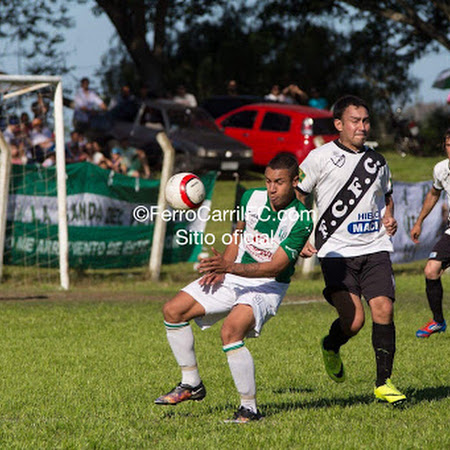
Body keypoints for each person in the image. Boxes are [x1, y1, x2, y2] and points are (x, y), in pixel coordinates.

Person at [154, 154, 313, 422]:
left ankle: (249, 409)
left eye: (280, 182)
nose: (272, 189)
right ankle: (191, 383)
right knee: (173, 311)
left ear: (295, 181)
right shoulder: (250, 197)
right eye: (268, 181)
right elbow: (238, 236)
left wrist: (229, 268)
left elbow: (274, 267)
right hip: (234, 273)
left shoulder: (301, 220)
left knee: (231, 331)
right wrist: (223, 266)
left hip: (267, 286)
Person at [297, 95, 406, 405]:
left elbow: (386, 196)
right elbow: (298, 194)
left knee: (383, 309)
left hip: (375, 247)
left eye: (366, 121)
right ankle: (331, 344)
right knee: (354, 321)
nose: (362, 126)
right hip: (334, 251)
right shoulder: (319, 157)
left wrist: (389, 215)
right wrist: (304, 232)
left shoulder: (378, 161)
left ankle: (384, 382)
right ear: (338, 125)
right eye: (355, 121)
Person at [410, 129, 450, 338]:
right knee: (431, 270)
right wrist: (419, 222)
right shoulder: (441, 169)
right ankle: (437, 321)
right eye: (449, 145)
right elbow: (434, 193)